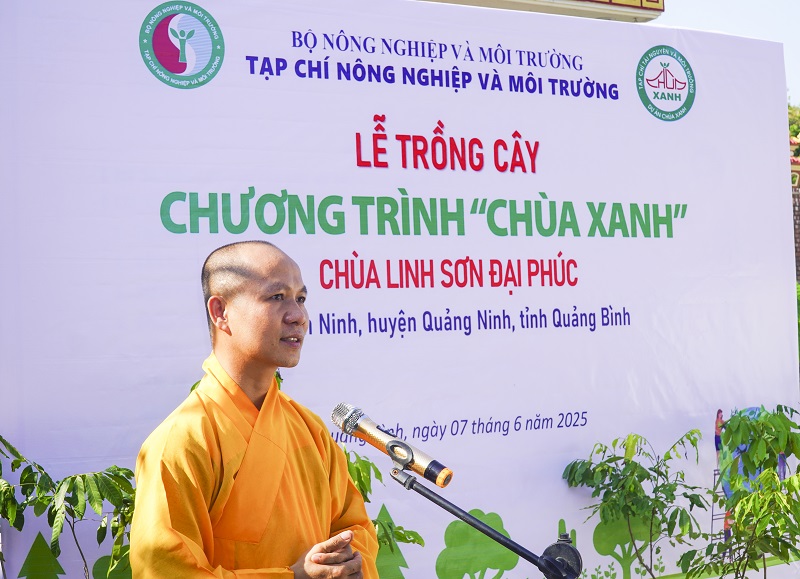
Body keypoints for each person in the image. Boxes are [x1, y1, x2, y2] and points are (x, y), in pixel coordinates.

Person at [130, 240, 379, 578]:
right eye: (277, 297)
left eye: (301, 299)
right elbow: (165, 571)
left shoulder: (310, 429)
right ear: (221, 312)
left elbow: (355, 527)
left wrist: (348, 564)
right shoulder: (182, 441)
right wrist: (293, 577)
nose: (299, 316)